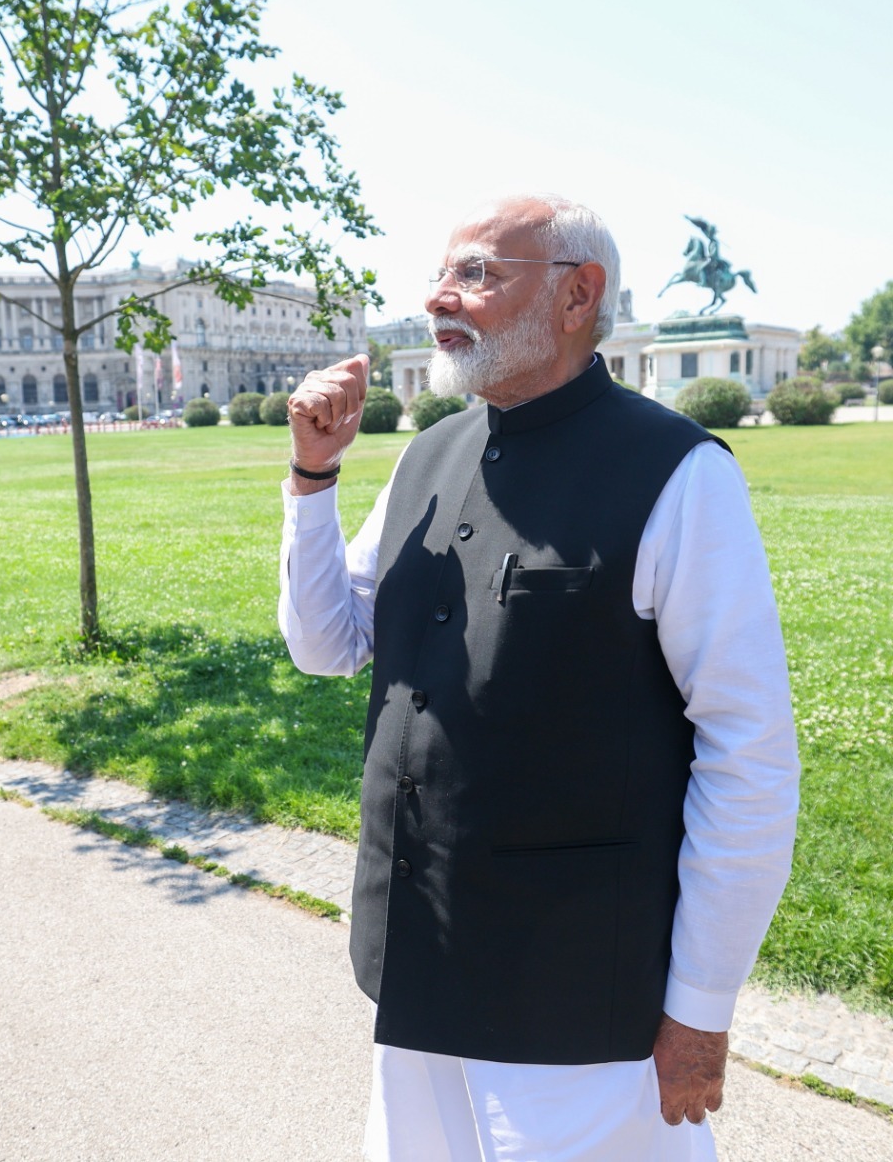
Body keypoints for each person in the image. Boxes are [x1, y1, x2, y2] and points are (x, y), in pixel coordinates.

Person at [278, 195, 798, 1160]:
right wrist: (313, 479)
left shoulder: (677, 475)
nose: (441, 296)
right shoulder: (426, 458)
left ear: (576, 296)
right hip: (417, 952)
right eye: (439, 274)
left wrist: (699, 1006)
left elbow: (750, 752)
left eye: (476, 273)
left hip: (578, 990)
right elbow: (326, 644)